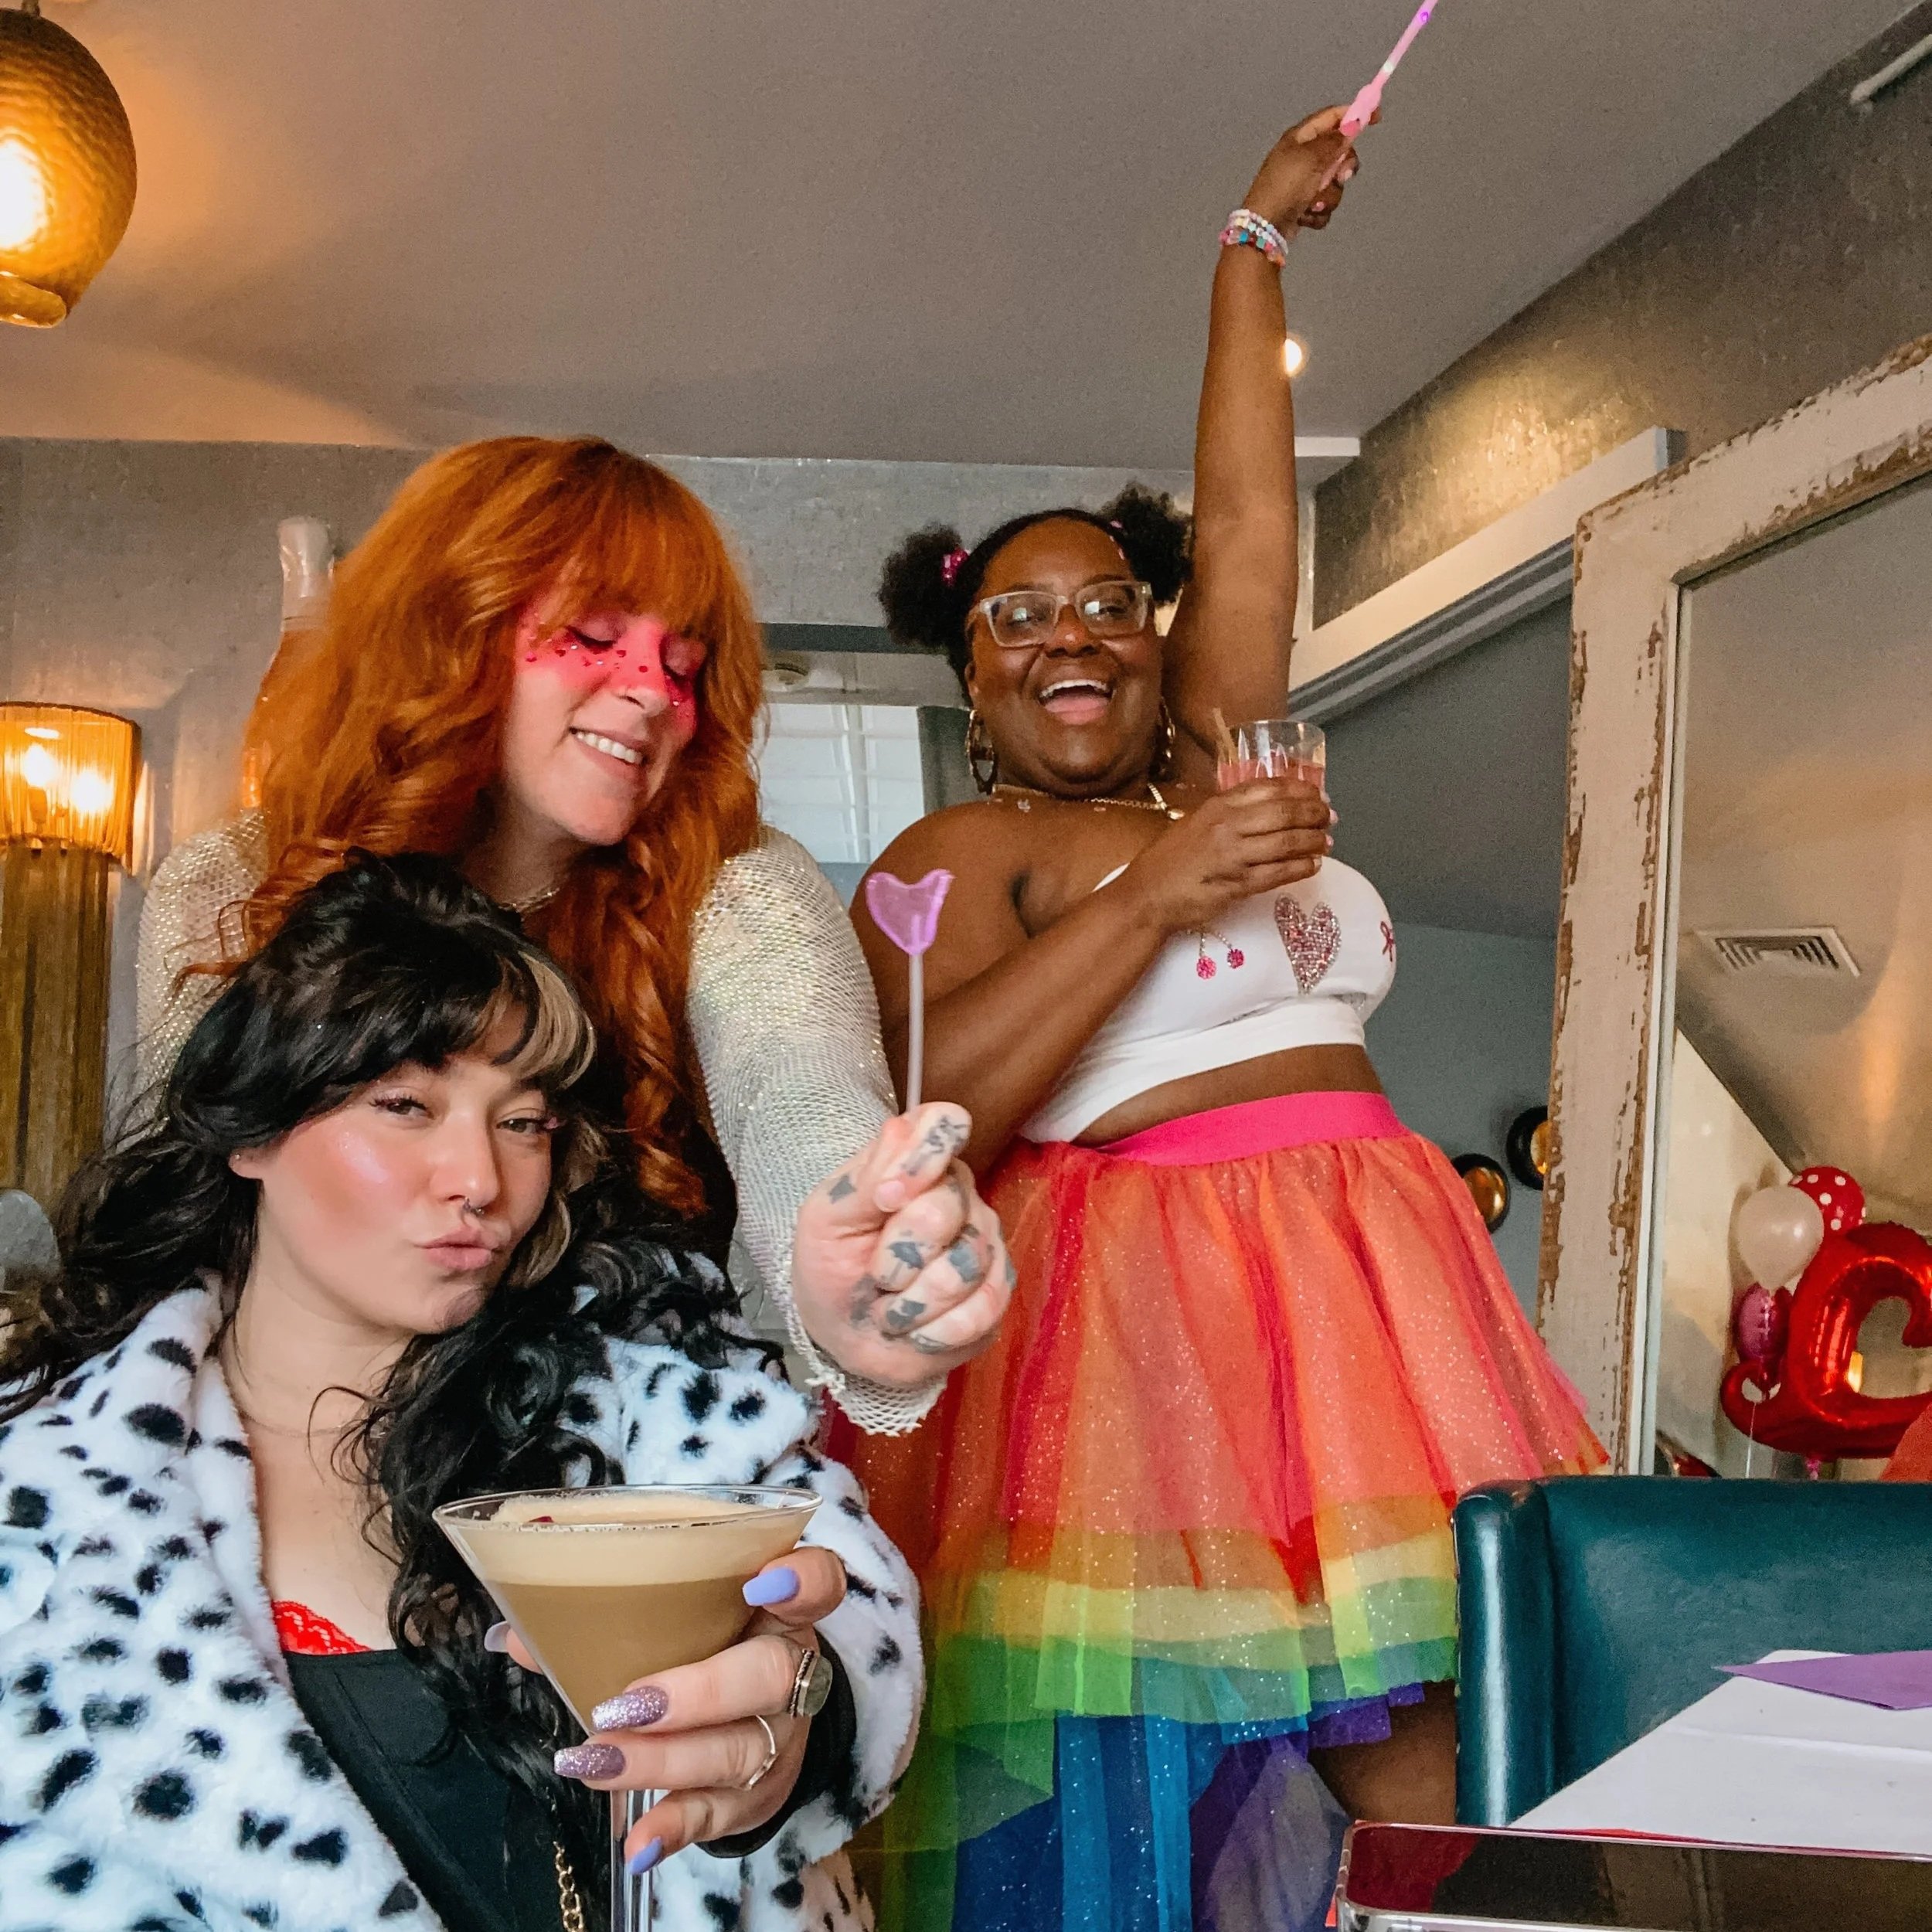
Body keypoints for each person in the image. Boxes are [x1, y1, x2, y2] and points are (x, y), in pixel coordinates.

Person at [838, 109, 1606, 1931]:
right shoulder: (960, 846)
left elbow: (1253, 521)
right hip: (1146, 1344)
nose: (1067, 632)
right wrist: (1163, 896)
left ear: (1161, 638)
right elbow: (938, 1106)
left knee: (1450, 1778)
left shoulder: (1211, 772)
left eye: (1105, 596)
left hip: (1377, 1296)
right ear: (970, 684)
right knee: (1151, 1784)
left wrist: (1249, 244)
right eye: (1015, 618)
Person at [0, 854, 974, 1930]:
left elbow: (844, 1615)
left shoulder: (653, 1419)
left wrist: (791, 1730)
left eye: (522, 1121)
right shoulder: (46, 1502)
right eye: (407, 1103)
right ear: (251, 1130)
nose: (480, 1181)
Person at [135, 437, 1009, 1437]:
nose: (650, 691)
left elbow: (800, 1090)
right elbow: (181, 1230)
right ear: (446, 627)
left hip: (620, 1492)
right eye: (594, 635)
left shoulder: (740, 891)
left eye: (683, 661)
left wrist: (855, 1269)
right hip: (293, 1453)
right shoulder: (233, 885)